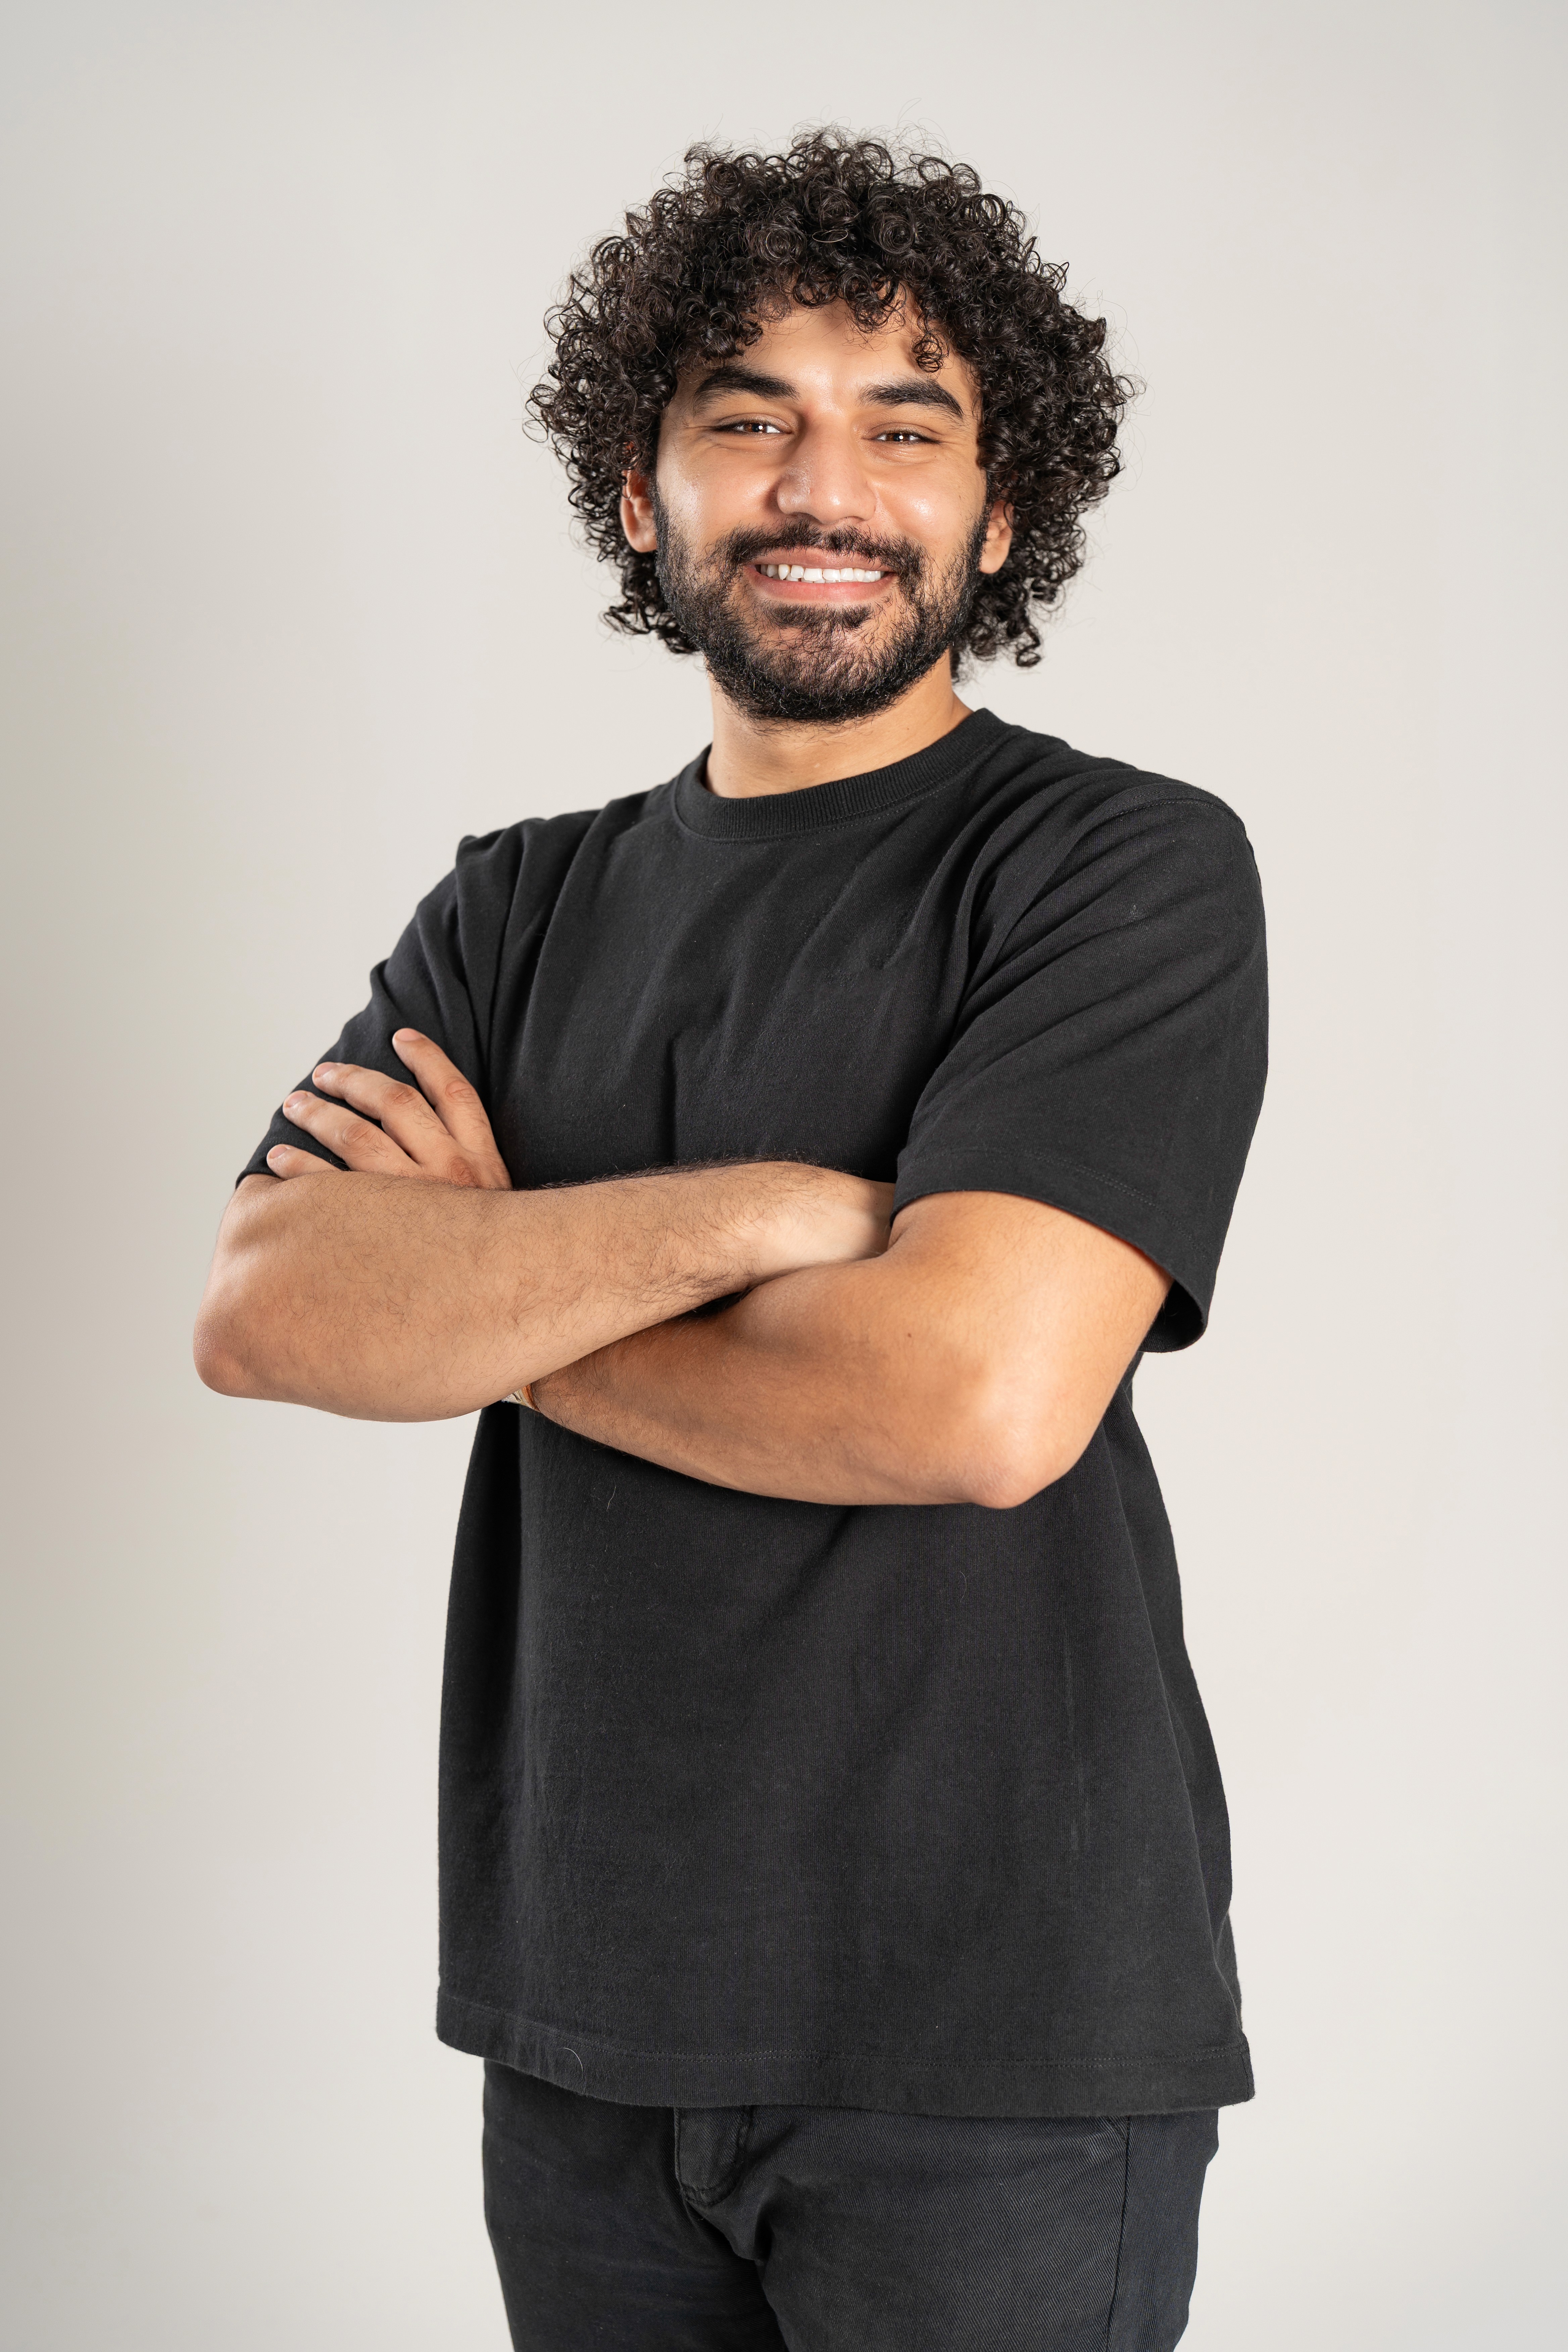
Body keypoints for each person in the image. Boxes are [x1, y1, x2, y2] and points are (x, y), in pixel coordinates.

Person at [195, 131, 1268, 2352]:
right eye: (748, 417)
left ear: (1000, 510)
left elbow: (975, 1403)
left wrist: (497, 1291)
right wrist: (765, 1218)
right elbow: (271, 1308)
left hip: (997, 2045)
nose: (823, 487)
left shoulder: (1115, 870)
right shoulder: (515, 906)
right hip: (581, 2021)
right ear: (641, 490)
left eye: (906, 426)